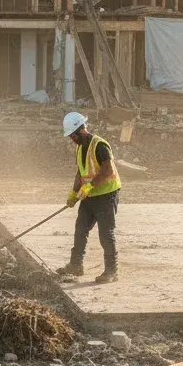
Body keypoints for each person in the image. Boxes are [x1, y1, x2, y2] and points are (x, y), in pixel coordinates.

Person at [55, 112, 121, 283]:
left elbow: (108, 171)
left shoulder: (99, 145)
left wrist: (90, 186)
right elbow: (81, 172)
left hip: (106, 196)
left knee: (106, 233)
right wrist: (73, 193)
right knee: (80, 229)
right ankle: (76, 265)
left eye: (71, 136)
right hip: (89, 196)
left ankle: (111, 271)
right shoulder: (79, 147)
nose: (71, 139)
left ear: (78, 131)